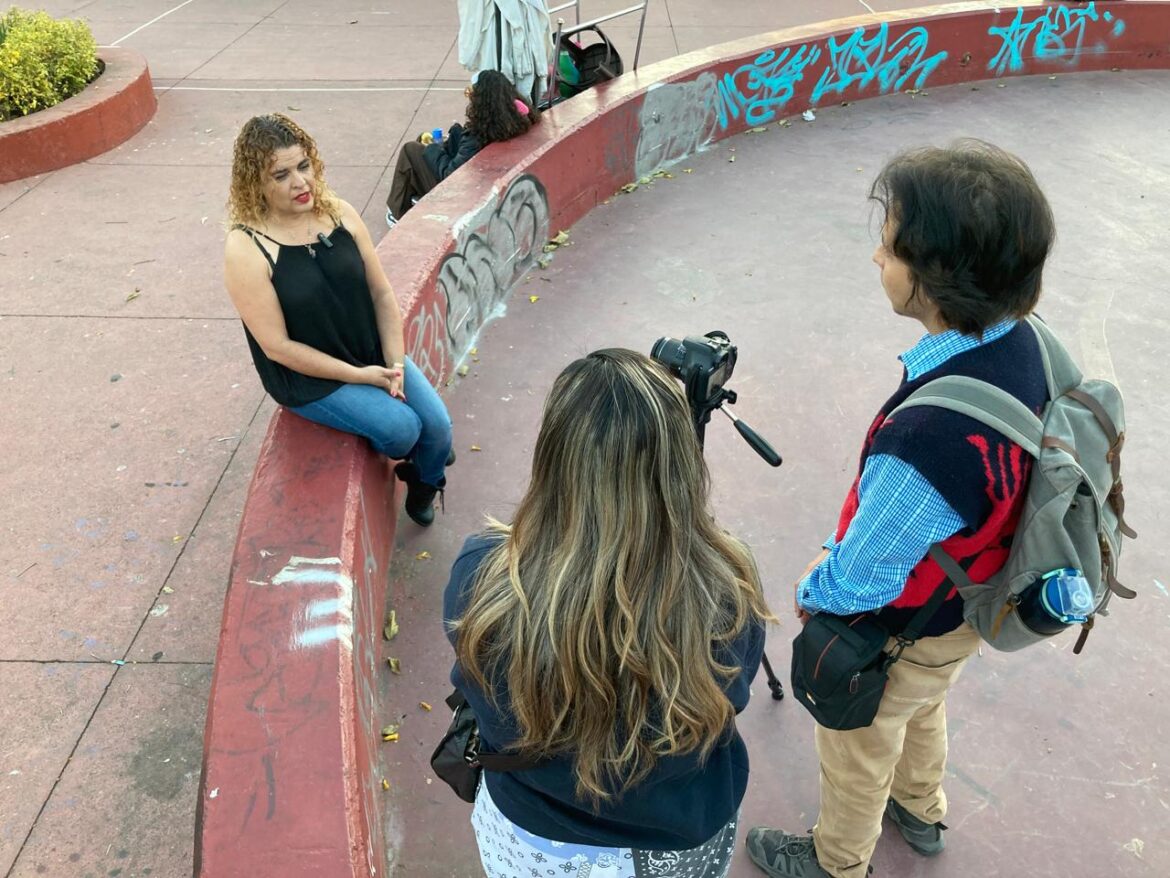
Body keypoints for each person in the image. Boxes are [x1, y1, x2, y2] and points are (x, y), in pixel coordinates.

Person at [746, 140, 1056, 878]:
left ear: (938, 278)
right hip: (968, 605)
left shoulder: (928, 439)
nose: (876, 260)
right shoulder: (1028, 346)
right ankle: (921, 810)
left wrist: (811, 589)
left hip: (898, 630)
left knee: (859, 748)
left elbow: (861, 580)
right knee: (923, 706)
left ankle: (837, 861)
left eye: (888, 249)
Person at [443, 349, 774, 878]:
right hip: (675, 840)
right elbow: (728, 701)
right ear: (680, 460)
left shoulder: (481, 570)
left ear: (553, 455)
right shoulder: (726, 588)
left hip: (533, 836)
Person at [224, 113, 453, 526]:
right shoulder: (246, 248)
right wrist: (362, 376)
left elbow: (382, 293)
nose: (300, 183)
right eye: (280, 175)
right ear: (255, 182)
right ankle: (425, 455)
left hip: (366, 349)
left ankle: (424, 479)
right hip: (310, 377)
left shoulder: (340, 213)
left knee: (438, 427)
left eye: (304, 166)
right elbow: (278, 347)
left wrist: (395, 363)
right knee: (402, 429)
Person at [385, 69, 538, 226]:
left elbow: (450, 175)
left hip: (462, 194)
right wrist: (456, 135)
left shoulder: (476, 136)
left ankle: (397, 212)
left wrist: (433, 149)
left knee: (410, 150)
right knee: (441, 140)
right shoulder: (513, 121)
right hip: (486, 180)